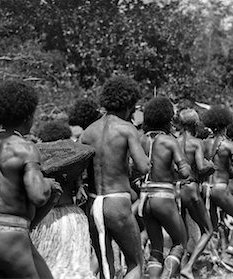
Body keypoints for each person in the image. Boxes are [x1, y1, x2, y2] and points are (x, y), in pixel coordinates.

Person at [0, 80, 61, 278]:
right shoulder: (25, 148)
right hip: (11, 237)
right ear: (28, 116)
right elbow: (38, 196)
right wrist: (48, 184)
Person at [81, 76, 150, 279]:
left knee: (106, 268)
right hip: (117, 201)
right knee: (135, 262)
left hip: (94, 204)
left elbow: (81, 171)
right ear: (129, 104)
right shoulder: (127, 129)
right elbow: (143, 166)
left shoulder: (87, 132)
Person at [30, 121, 95, 278]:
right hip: (72, 218)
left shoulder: (38, 159)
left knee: (48, 264)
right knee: (75, 266)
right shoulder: (74, 161)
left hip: (45, 218)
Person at [139, 97, 190, 279]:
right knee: (180, 243)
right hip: (164, 198)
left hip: (144, 199)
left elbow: (133, 169)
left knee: (156, 248)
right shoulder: (169, 141)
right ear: (167, 118)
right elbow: (184, 172)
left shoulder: (141, 140)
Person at [202, 105, 233, 256]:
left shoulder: (203, 143)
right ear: (226, 125)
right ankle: (229, 251)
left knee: (213, 225)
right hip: (220, 188)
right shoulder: (229, 145)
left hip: (205, 188)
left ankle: (215, 256)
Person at [176, 108, 214, 279]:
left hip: (176, 190)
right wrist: (211, 166)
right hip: (191, 189)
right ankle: (189, 267)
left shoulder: (173, 141)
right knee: (208, 230)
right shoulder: (196, 142)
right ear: (196, 123)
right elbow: (200, 167)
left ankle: (181, 266)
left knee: (182, 232)